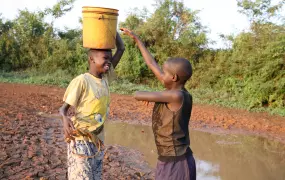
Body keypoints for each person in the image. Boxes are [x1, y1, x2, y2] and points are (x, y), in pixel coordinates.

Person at [120, 28, 196, 180]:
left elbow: (137, 95)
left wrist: (153, 96)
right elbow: (151, 63)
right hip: (169, 159)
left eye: (164, 73)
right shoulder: (176, 92)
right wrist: (136, 39)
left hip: (177, 162)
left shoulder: (176, 95)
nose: (161, 75)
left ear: (174, 78)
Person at [59, 32, 125, 180]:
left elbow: (121, 49)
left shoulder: (104, 78)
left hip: (98, 140)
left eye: (110, 59)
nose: (109, 62)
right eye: (105, 58)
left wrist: (110, 28)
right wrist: (64, 118)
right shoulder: (82, 81)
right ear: (91, 60)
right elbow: (63, 108)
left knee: (95, 177)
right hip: (81, 139)